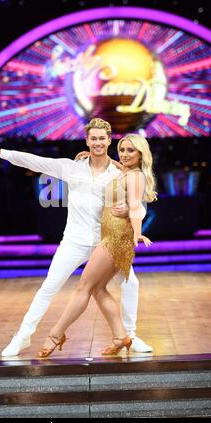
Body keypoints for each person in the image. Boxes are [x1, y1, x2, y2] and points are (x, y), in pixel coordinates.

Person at [0, 118, 153, 356]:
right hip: (74, 240)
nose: (98, 142)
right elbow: (36, 161)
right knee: (49, 287)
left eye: (103, 138)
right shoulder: (72, 166)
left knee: (131, 283)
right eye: (94, 138)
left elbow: (139, 206)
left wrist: (132, 212)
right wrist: (1, 152)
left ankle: (129, 335)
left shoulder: (120, 171)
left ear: (109, 141)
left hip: (106, 241)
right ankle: (23, 337)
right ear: (87, 140)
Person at [37, 132, 156, 358]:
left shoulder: (135, 176)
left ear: (141, 154)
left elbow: (136, 209)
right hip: (110, 236)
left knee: (84, 287)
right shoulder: (125, 171)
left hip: (116, 238)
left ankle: (55, 334)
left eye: (131, 150)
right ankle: (121, 336)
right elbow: (116, 166)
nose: (124, 154)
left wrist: (138, 233)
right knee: (98, 289)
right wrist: (93, 156)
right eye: (122, 150)